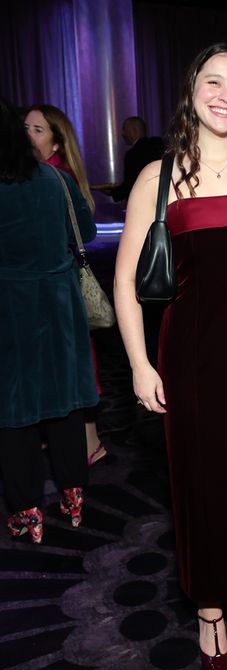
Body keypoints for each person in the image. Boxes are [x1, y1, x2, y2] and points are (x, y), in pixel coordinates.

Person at [114, 42, 227, 670]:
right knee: (200, 487)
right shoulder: (157, 176)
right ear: (193, 90)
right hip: (189, 358)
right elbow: (127, 283)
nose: (226, 94)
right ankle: (210, 611)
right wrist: (139, 364)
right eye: (213, 82)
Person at [0, 98, 98, 542]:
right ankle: (74, 497)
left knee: (15, 412)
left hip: (10, 312)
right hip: (59, 306)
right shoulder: (56, 179)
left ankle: (26, 511)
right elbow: (87, 232)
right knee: (65, 408)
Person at [24, 104, 107, 466]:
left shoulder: (56, 177)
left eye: (38, 129)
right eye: (25, 127)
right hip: (47, 288)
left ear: (57, 143)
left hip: (61, 288)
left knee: (75, 365)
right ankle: (65, 437)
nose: (28, 134)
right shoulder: (36, 175)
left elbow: (75, 235)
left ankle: (90, 442)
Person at [100, 116, 165, 203]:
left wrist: (112, 192)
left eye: (124, 129)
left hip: (144, 203)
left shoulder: (132, 154)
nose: (123, 134)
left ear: (134, 130)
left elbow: (131, 184)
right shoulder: (160, 144)